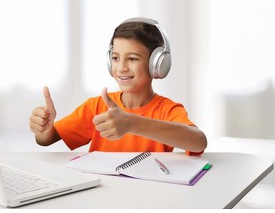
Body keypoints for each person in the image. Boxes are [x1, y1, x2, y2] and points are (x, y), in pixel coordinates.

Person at [29, 17, 207, 155]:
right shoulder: (97, 107)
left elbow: (199, 142)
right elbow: (46, 140)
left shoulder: (167, 110)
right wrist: (43, 128)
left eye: (132, 58)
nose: (121, 67)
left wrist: (132, 123)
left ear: (157, 64)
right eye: (115, 58)